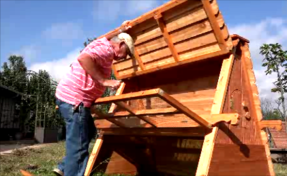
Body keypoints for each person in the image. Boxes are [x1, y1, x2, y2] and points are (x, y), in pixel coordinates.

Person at [53, 22, 134, 176]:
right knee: (78, 147)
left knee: (88, 131)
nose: (125, 57)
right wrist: (104, 81)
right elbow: (84, 58)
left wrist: (120, 30)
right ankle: (71, 171)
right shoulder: (106, 50)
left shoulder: (102, 42)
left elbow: (105, 37)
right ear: (121, 44)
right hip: (75, 101)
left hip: (69, 97)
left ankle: (64, 167)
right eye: (127, 52)